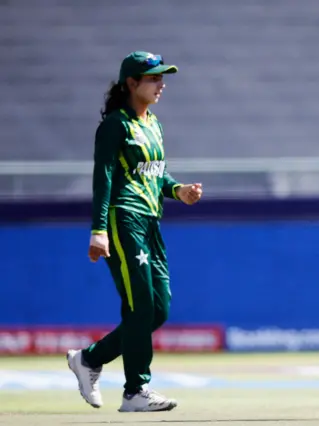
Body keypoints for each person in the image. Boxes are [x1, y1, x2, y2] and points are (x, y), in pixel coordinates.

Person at [66, 51, 203, 413]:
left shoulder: (153, 124)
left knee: (159, 309)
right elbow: (104, 178)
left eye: (162, 78)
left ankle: (90, 359)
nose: (162, 84)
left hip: (150, 221)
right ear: (131, 83)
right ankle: (136, 391)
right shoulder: (116, 125)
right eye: (154, 78)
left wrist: (179, 191)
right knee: (140, 305)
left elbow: (157, 175)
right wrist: (99, 230)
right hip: (123, 219)